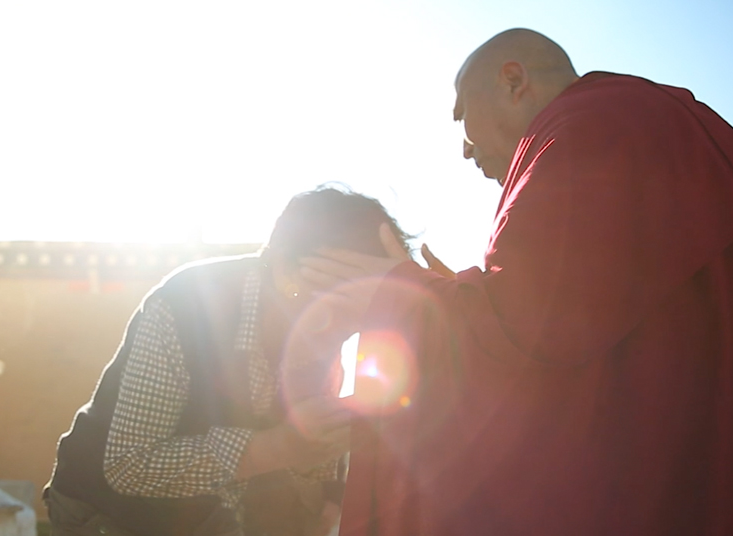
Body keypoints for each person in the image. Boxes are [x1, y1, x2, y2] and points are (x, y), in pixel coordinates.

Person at [301, 29, 733, 535]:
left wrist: (402, 294)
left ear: (512, 81)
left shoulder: (593, 126)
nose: (464, 149)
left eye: (462, 117)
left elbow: (531, 325)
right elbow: (593, 323)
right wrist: (455, 297)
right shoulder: (658, 121)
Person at [44, 187, 413, 536]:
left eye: (367, 305)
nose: (350, 328)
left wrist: (329, 495)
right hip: (103, 515)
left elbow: (313, 461)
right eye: (336, 294)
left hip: (204, 518)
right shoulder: (188, 306)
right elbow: (128, 466)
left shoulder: (328, 332)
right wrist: (278, 446)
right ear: (284, 268)